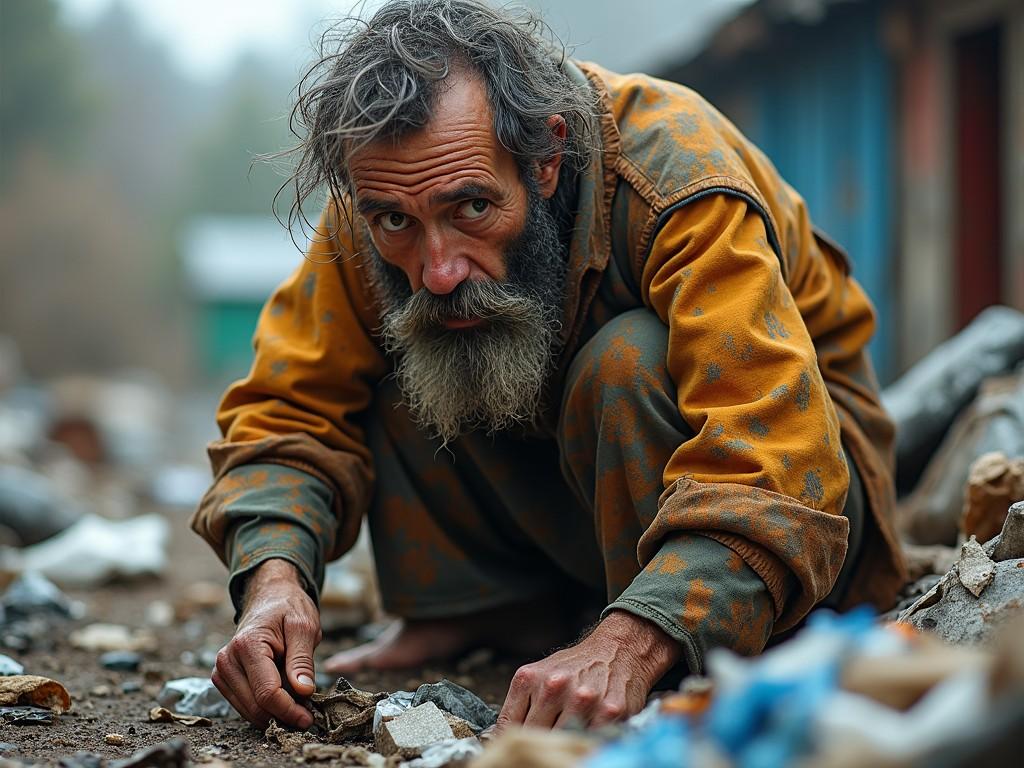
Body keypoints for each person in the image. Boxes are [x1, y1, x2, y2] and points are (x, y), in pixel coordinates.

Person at [192, 0, 906, 733]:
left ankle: (660, 645)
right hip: (574, 517)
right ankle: (490, 613)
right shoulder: (390, 198)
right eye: (398, 222)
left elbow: (777, 455)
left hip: (810, 502)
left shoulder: (677, 173)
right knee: (419, 319)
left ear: (546, 158)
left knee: (625, 360)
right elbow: (288, 406)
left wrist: (634, 639)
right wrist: (273, 580)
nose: (437, 264)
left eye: (472, 207)